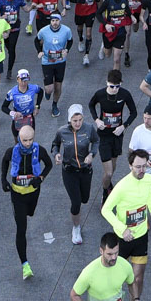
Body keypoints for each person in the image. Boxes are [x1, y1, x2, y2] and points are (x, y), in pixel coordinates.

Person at [102, 148, 151, 301]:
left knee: (137, 278)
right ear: (130, 166)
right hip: (123, 239)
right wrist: (122, 229)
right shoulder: (122, 186)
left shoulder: (150, 179)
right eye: (137, 167)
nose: (141, 170)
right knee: (116, 278)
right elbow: (106, 210)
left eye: (144, 166)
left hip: (141, 236)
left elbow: (148, 198)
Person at [4, 123, 53, 279]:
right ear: (19, 139)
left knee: (30, 213)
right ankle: (25, 264)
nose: (28, 143)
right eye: (24, 140)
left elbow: (49, 164)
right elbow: (4, 161)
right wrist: (3, 180)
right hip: (17, 194)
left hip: (33, 192)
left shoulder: (39, 150)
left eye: (30, 140)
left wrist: (41, 179)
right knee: (21, 228)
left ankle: (28, 210)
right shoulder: (12, 151)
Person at [72, 234, 139, 301]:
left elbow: (132, 283)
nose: (114, 257)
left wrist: (136, 298)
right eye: (109, 254)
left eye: (116, 253)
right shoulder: (89, 272)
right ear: (101, 251)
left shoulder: (125, 265)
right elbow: (74, 294)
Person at [54, 103, 98, 245]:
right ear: (69, 120)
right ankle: (76, 227)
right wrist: (56, 154)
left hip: (85, 170)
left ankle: (77, 219)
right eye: (74, 121)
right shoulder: (62, 131)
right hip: (69, 170)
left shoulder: (89, 128)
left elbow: (96, 141)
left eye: (80, 120)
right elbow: (55, 144)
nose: (78, 123)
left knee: (85, 198)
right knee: (76, 202)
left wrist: (92, 154)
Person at [89, 70, 139, 194]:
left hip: (117, 135)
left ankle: (108, 184)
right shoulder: (100, 94)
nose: (114, 89)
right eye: (111, 86)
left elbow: (134, 112)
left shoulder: (125, 94)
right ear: (107, 83)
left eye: (117, 86)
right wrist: (96, 120)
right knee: (109, 172)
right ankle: (105, 193)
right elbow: (91, 105)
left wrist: (124, 126)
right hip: (103, 135)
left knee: (113, 165)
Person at [38, 10, 76, 116]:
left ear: (60, 21)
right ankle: (47, 91)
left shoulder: (66, 30)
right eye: (53, 20)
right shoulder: (44, 31)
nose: (55, 23)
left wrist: (66, 50)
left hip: (60, 61)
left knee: (58, 86)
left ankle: (54, 105)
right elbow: (37, 40)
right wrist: (39, 51)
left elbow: (70, 40)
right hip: (47, 61)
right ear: (50, 21)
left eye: (57, 20)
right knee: (49, 89)